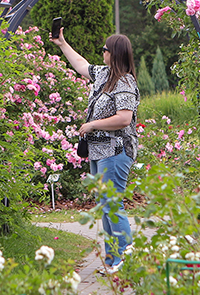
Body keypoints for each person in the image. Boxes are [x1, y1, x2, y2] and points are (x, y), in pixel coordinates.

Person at [51, 28, 140, 273]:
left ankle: (126, 255)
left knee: (111, 203)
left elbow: (124, 118)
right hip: (99, 150)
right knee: (104, 205)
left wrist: (91, 125)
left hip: (116, 149)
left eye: (105, 49)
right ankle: (113, 260)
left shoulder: (124, 81)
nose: (102, 52)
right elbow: (81, 65)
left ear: (115, 53)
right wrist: (62, 44)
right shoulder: (104, 75)